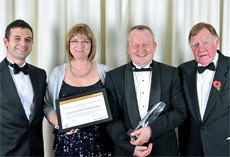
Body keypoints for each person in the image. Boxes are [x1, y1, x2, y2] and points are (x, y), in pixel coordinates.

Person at [104, 25, 186, 156]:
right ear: (128, 48)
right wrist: (130, 147)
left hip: (164, 151)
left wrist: (151, 130)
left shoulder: (171, 73)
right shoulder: (113, 77)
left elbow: (179, 112)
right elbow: (111, 118)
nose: (141, 49)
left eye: (146, 44)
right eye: (135, 45)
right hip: (127, 151)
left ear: (154, 46)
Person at [45, 23, 114, 156]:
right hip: (67, 144)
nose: (80, 46)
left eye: (85, 41)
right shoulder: (57, 72)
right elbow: (47, 105)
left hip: (100, 143)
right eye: (75, 41)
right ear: (68, 44)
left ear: (92, 45)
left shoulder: (105, 71)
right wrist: (58, 121)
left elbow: (113, 105)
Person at [0, 19, 54, 156]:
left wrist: (61, 121)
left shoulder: (40, 74)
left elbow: (44, 106)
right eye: (17, 38)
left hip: (35, 150)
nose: (23, 44)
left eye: (28, 39)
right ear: (6, 42)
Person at [178, 22, 230, 156]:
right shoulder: (182, 71)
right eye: (195, 44)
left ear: (216, 41)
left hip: (224, 147)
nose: (201, 48)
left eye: (205, 42)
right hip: (191, 148)